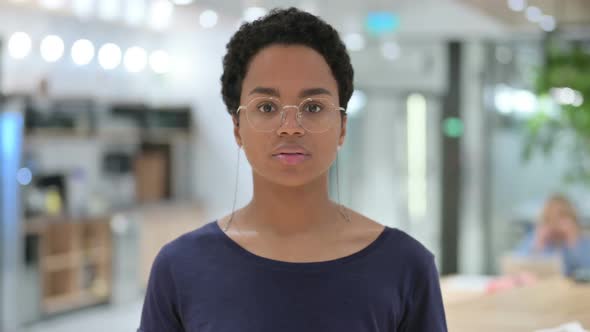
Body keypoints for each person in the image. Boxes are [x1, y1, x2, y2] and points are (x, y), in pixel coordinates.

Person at [139, 7, 447, 332]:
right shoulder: (180, 267)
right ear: (237, 127)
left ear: (342, 126)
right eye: (267, 107)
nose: (290, 127)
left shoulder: (405, 266)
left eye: (312, 107)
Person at [514, 194, 590, 276]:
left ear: (573, 218)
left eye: (562, 216)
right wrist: (538, 245)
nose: (555, 223)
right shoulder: (535, 238)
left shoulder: (584, 240)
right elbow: (517, 265)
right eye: (549, 218)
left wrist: (573, 241)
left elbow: (585, 269)